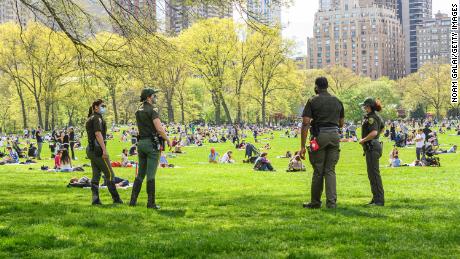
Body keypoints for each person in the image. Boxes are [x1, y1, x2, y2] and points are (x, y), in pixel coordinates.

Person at [300, 77, 344, 209]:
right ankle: (331, 203)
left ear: (316, 87)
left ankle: (315, 202)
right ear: (327, 86)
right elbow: (341, 123)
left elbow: (306, 123)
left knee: (318, 170)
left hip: (319, 136)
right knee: (330, 170)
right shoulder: (337, 101)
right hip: (335, 136)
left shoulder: (313, 100)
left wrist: (302, 146)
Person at [129, 88, 171, 209]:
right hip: (151, 144)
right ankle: (150, 203)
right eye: (154, 95)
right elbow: (159, 128)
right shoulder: (152, 110)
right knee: (151, 175)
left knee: (140, 174)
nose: (155, 97)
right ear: (148, 97)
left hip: (141, 143)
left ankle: (133, 201)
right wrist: (167, 139)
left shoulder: (138, 111)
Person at [85, 99, 123, 205]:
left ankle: (95, 199)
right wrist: (104, 150)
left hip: (91, 149)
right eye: (102, 105)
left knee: (96, 174)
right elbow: (98, 134)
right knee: (110, 174)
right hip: (97, 150)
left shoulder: (91, 118)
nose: (104, 107)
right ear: (96, 107)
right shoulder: (97, 118)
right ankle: (116, 199)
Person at [359, 98, 385, 206]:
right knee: (372, 174)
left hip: (372, 147)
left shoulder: (372, 118)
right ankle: (376, 198)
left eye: (365, 106)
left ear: (369, 106)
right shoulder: (376, 117)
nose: (364, 108)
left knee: (374, 174)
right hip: (374, 146)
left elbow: (374, 132)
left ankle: (379, 200)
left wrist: (363, 140)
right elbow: (382, 129)